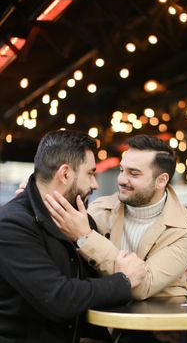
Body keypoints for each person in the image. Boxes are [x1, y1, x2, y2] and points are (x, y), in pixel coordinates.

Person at [44, 134, 187, 343]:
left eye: (134, 173)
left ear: (161, 180)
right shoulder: (99, 209)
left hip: (160, 328)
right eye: (122, 170)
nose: (122, 179)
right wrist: (38, 202)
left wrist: (85, 237)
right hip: (102, 322)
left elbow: (143, 284)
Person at [0, 130, 147, 343]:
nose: (95, 184)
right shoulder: (11, 224)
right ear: (65, 174)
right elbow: (59, 298)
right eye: (90, 173)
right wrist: (123, 281)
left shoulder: (81, 222)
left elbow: (95, 289)